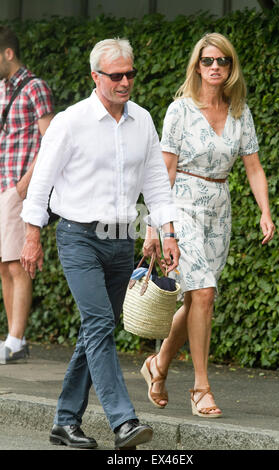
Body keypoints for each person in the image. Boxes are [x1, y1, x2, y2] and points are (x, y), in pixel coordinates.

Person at [20, 38, 180, 450]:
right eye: (116, 75)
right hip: (78, 237)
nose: (125, 81)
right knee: (99, 325)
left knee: (94, 331)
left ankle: (64, 421)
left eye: (130, 73)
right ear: (95, 77)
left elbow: (156, 183)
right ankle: (123, 421)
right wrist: (32, 234)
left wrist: (169, 232)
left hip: (122, 240)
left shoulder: (142, 120)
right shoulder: (71, 122)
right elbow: (42, 182)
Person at [141, 32, 275, 418]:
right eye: (208, 61)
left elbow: (253, 166)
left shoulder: (239, 111)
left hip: (219, 208)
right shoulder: (179, 110)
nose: (215, 67)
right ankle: (201, 387)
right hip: (181, 204)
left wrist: (265, 211)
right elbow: (162, 171)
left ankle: (159, 364)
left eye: (223, 61)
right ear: (197, 66)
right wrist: (154, 226)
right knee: (203, 292)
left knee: (199, 295)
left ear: (231, 67)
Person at [0, 26, 54, 364]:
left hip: (17, 188)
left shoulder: (36, 88)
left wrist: (25, 184)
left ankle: (16, 340)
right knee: (4, 266)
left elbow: (51, 141)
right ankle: (12, 338)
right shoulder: (2, 89)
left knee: (17, 264)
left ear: (8, 53)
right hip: (2, 185)